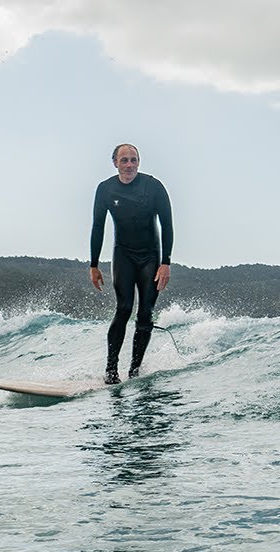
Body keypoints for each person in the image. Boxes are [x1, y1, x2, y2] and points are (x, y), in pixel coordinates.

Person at [89, 143, 174, 384]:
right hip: (123, 254)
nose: (129, 165)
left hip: (150, 257)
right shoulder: (105, 189)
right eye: (124, 160)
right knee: (124, 308)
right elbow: (98, 226)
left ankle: (134, 371)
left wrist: (166, 262)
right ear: (115, 163)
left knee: (145, 313)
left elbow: (167, 225)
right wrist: (93, 265)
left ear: (139, 162)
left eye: (133, 160)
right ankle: (111, 371)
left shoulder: (154, 187)